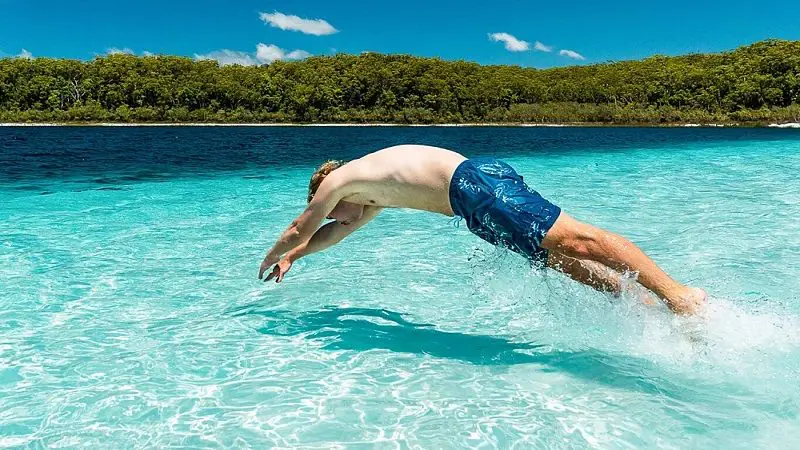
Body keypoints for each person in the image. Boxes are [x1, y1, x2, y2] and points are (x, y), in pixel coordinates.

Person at [258, 145, 706, 315]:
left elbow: (303, 226)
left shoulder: (342, 179)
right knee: (557, 260)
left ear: (330, 194)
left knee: (575, 239)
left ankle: (679, 295)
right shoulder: (372, 195)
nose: (337, 218)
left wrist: (270, 254)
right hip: (471, 205)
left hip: (473, 186)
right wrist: (294, 257)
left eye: (333, 210)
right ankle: (643, 301)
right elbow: (335, 234)